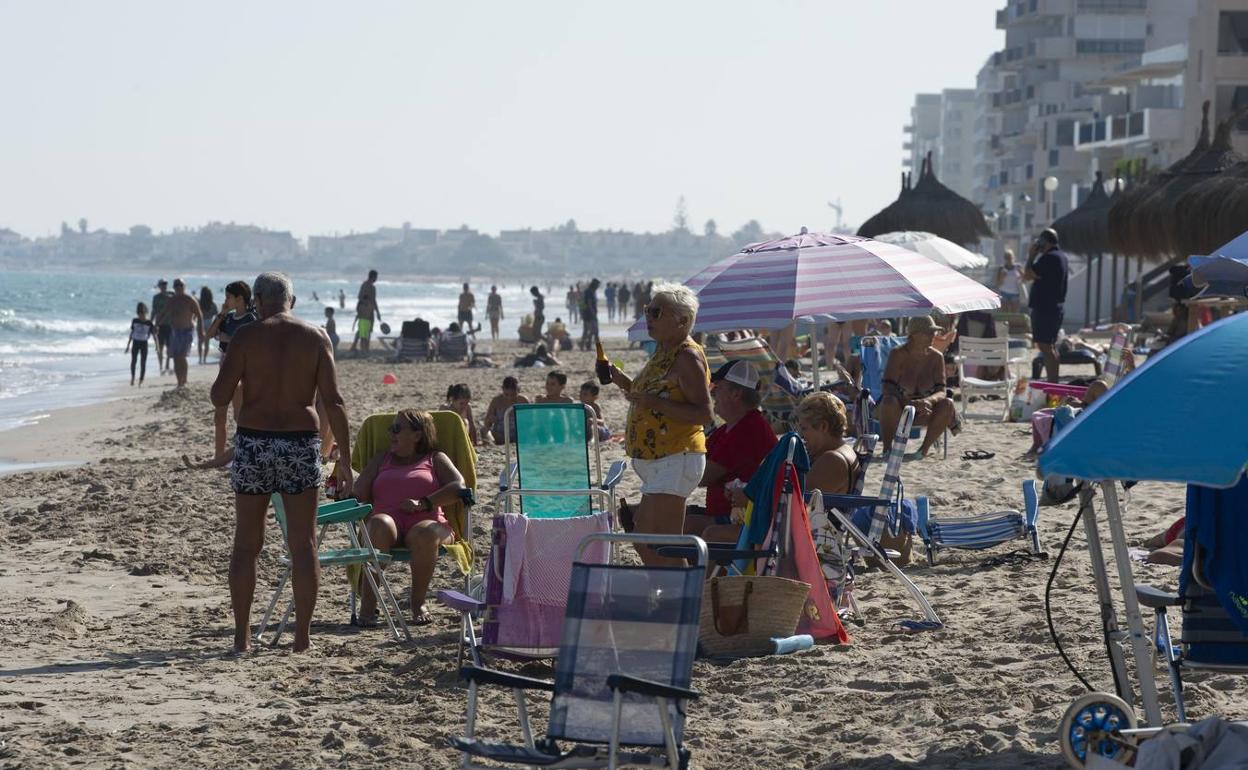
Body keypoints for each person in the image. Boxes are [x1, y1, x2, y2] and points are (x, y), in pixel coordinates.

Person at [210, 272, 352, 654]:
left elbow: (219, 395)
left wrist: (243, 373)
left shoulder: (246, 337)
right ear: (293, 299)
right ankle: (302, 639)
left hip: (255, 442)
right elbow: (334, 402)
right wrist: (346, 462)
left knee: (246, 545)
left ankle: (241, 639)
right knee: (303, 544)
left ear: (256, 300)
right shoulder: (316, 337)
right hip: (299, 445)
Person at [606, 283, 712, 565]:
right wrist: (620, 380)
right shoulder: (663, 352)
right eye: (647, 311)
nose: (648, 318)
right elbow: (648, 399)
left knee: (657, 542)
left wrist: (656, 404)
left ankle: (679, 598)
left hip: (677, 457)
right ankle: (671, 594)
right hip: (659, 460)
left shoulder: (687, 357)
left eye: (656, 312)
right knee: (647, 539)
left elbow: (704, 413)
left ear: (682, 321)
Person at [353, 410, 464, 625]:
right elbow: (358, 493)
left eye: (396, 428)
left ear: (417, 435)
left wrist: (424, 502)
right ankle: (368, 605)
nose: (390, 433)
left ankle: (418, 603)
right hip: (389, 523)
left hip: (430, 522)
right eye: (390, 428)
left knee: (424, 532)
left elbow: (459, 487)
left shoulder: (435, 458)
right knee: (376, 524)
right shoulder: (381, 459)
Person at [682, 361, 777, 544]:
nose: (712, 392)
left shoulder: (749, 429)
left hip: (748, 519)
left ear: (736, 393)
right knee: (658, 516)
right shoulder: (729, 428)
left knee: (681, 525)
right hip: (730, 514)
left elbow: (702, 476)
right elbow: (697, 463)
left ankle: (687, 572)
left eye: (717, 387)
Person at [875, 315, 957, 459]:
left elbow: (941, 391)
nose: (934, 335)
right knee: (888, 402)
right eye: (930, 332)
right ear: (916, 335)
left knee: (947, 404)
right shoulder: (898, 354)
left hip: (926, 410)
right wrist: (906, 402)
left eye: (934, 332)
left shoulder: (936, 357)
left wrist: (928, 401)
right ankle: (887, 449)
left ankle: (923, 450)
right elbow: (887, 387)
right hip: (899, 410)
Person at [204, 281, 258, 459]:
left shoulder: (251, 319)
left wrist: (228, 338)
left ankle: (242, 453)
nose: (225, 300)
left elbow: (250, 343)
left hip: (242, 370)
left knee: (237, 415)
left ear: (239, 298)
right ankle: (219, 455)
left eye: (228, 297)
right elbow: (209, 334)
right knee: (219, 414)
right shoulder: (227, 318)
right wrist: (222, 314)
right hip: (224, 368)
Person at [1024, 228, 1069, 382]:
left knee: (1045, 347)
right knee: (1049, 347)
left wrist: (1031, 255)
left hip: (1046, 309)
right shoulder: (1061, 257)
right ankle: (1053, 382)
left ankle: (1053, 383)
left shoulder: (1049, 258)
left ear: (1045, 242)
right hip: (1053, 308)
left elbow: (1028, 274)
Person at [154, 278, 204, 389]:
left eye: (180, 285)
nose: (178, 287)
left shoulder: (189, 299)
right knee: (176, 357)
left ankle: (184, 380)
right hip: (175, 331)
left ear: (184, 286)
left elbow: (199, 315)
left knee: (182, 356)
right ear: (174, 287)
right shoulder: (172, 300)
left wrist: (201, 331)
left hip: (187, 331)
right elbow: (163, 313)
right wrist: (156, 325)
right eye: (176, 285)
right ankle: (179, 382)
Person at [483, 375, 528, 444]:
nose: (509, 398)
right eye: (506, 394)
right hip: (500, 435)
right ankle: (491, 443)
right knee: (484, 430)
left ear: (518, 390)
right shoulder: (496, 401)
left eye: (513, 395)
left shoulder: (523, 400)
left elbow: (530, 421)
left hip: (518, 435)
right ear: (502, 389)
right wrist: (490, 419)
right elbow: (487, 422)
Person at [350, 269, 382, 355]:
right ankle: (358, 347)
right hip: (363, 310)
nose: (376, 279)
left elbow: (374, 300)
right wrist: (367, 304)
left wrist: (377, 312)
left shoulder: (373, 287)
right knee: (362, 329)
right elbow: (360, 297)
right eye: (376, 277)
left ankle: (363, 347)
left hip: (370, 310)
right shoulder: (365, 285)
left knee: (368, 329)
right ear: (373, 277)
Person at [126, 302, 155, 386]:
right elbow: (132, 333)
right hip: (135, 342)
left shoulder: (149, 323)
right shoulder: (135, 321)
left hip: (144, 343)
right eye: (139, 314)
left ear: (146, 313)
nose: (141, 316)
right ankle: (132, 377)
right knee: (133, 361)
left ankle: (141, 379)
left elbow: (154, 335)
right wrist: (128, 346)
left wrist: (157, 346)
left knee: (143, 362)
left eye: (142, 314)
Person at [151, 279, 173, 374]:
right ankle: (161, 366)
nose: (164, 286)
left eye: (165, 284)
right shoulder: (156, 297)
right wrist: (150, 322)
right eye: (162, 284)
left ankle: (167, 365)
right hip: (159, 325)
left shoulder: (171, 295)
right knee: (160, 347)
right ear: (159, 286)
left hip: (170, 324)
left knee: (169, 347)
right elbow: (154, 311)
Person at [197, 286, 218, 365]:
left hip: (201, 322)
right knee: (206, 342)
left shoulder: (199, 303)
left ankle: (200, 359)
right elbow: (216, 314)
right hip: (209, 322)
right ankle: (204, 359)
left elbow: (195, 314)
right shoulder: (212, 304)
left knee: (200, 341)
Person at [579, 278, 601, 351]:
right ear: (594, 285)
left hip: (587, 314)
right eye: (598, 285)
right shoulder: (589, 292)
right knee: (595, 331)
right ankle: (597, 347)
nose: (598, 287)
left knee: (588, 331)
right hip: (590, 315)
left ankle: (585, 345)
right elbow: (589, 304)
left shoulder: (591, 292)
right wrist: (593, 314)